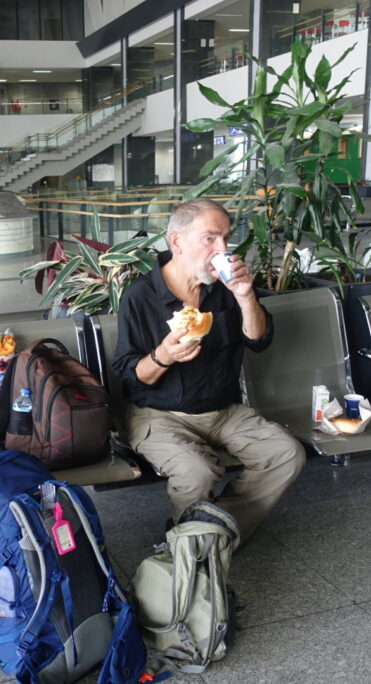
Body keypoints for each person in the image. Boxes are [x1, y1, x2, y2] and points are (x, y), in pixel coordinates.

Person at [113, 198, 305, 542]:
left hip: (224, 411)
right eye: (210, 238)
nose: (223, 249)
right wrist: (163, 356)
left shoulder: (226, 289)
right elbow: (130, 374)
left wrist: (246, 296)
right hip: (159, 414)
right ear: (177, 242)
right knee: (196, 472)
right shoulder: (141, 296)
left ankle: (208, 535)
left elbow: (258, 340)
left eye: (226, 239)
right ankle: (196, 548)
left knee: (285, 453)